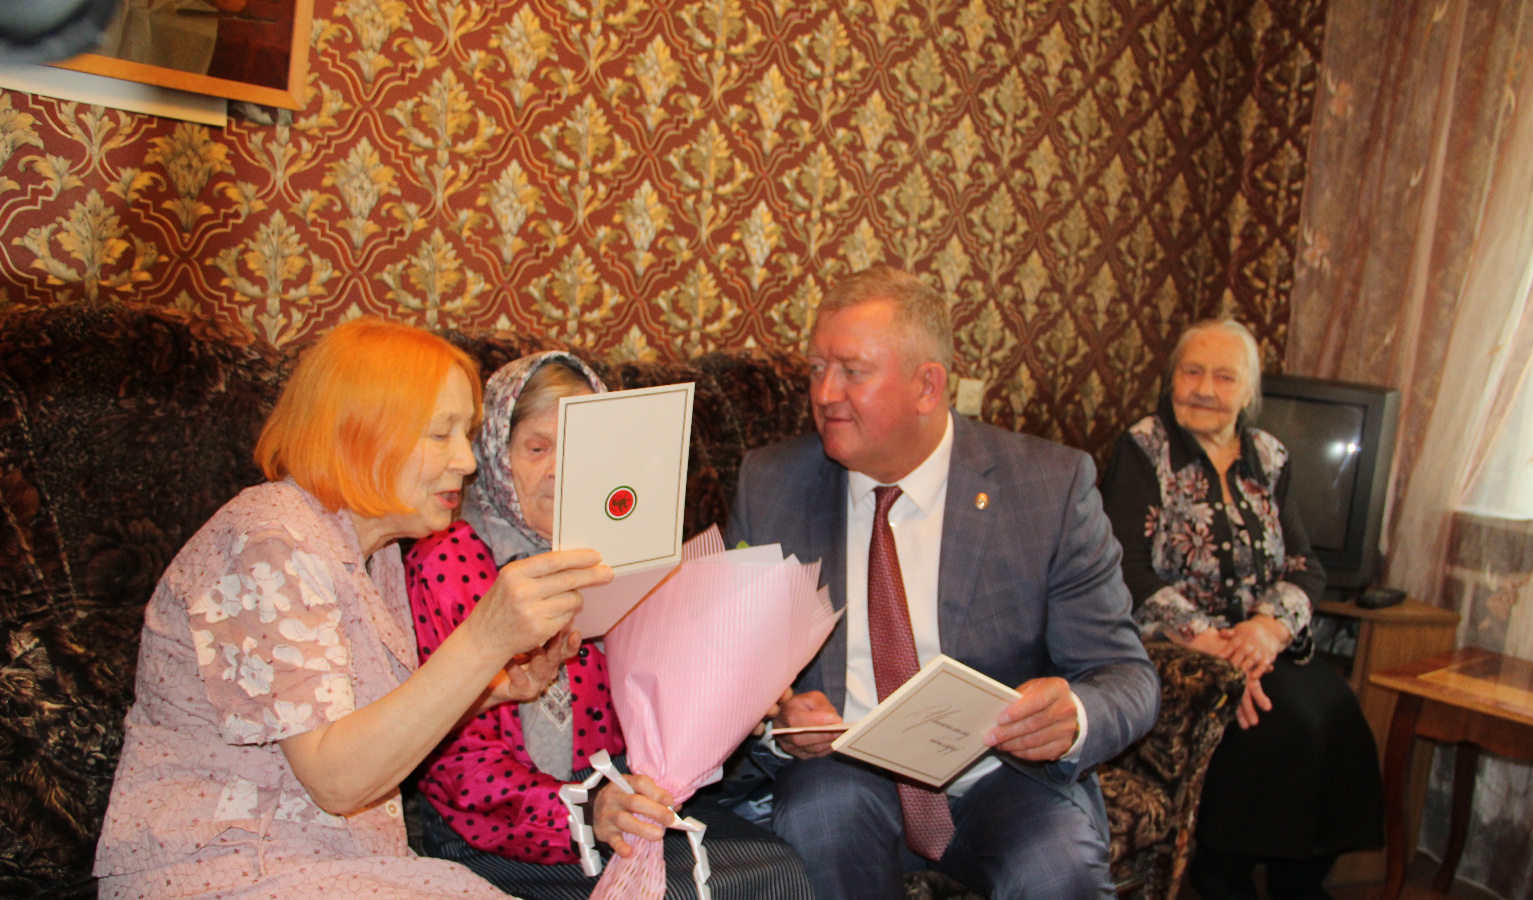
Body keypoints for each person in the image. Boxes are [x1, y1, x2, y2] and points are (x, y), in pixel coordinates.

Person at [92, 320, 612, 899]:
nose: (467, 461)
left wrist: (491, 689)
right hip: (225, 867)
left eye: (465, 434)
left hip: (338, 862)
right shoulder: (268, 540)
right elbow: (337, 781)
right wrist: (484, 639)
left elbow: (369, 731)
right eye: (440, 435)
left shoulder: (374, 554)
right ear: (361, 433)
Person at [723, 265, 1161, 900]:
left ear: (927, 386)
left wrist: (1074, 715)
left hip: (1002, 775)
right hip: (843, 774)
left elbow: (1128, 676)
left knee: (1056, 868)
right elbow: (731, 670)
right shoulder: (771, 486)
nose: (824, 393)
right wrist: (781, 724)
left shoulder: (1048, 488)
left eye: (852, 371)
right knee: (820, 814)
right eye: (816, 368)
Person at [406, 352, 815, 900]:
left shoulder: (629, 545)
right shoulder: (449, 561)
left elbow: (667, 712)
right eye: (537, 448)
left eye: (582, 448)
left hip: (628, 798)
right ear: (496, 455)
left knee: (779, 870)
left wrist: (744, 696)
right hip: (495, 827)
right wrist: (587, 809)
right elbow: (452, 760)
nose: (561, 470)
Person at [1097, 319, 1384, 900]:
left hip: (1258, 643)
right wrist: (1216, 647)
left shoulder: (1270, 457)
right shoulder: (1144, 448)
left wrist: (1267, 631)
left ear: (1249, 391)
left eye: (1224, 377)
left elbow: (1305, 565)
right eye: (1192, 372)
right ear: (1172, 379)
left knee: (1335, 711)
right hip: (1175, 644)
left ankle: (1300, 882)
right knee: (1276, 723)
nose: (1204, 389)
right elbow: (1126, 570)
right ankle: (1222, 874)